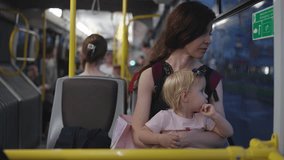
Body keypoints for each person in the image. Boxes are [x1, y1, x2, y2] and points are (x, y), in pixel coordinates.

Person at [132, 1, 228, 148]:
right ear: (184, 32)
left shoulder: (212, 79)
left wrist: (187, 139)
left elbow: (222, 138)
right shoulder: (151, 75)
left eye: (209, 34)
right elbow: (137, 135)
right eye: (203, 33)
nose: (209, 40)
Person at [139, 70, 233, 148]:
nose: (207, 95)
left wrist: (215, 116)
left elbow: (228, 133)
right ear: (184, 96)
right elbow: (142, 134)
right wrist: (159, 139)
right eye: (201, 91)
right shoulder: (165, 116)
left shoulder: (202, 117)